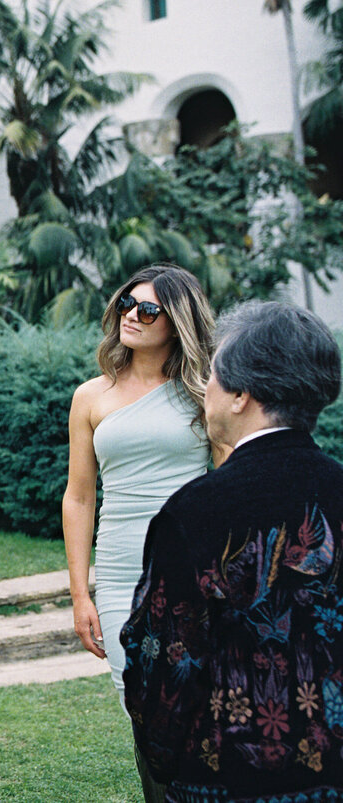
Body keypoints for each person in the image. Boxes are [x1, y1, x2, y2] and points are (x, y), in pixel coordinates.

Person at [122, 300, 343, 801]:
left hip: (222, 780)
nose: (206, 388)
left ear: (241, 394)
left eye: (215, 374)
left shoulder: (195, 513)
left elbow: (162, 663)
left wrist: (166, 763)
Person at [62, 264, 217, 800]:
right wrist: (82, 592)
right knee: (143, 704)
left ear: (176, 322)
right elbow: (79, 497)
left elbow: (226, 479)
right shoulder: (91, 396)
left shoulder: (206, 391)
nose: (132, 314)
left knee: (199, 700)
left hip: (194, 565)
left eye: (148, 309)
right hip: (124, 567)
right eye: (128, 303)